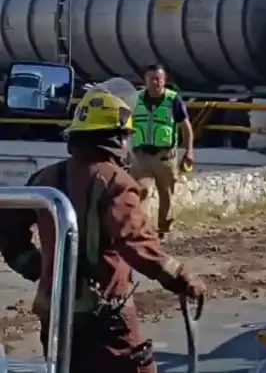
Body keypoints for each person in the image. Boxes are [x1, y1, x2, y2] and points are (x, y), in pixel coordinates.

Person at [0, 77, 205, 373]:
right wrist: (182, 278)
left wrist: (40, 268)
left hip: (54, 312)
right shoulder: (116, 183)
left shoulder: (45, 179)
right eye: (125, 137)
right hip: (104, 316)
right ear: (117, 138)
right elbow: (135, 243)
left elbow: (8, 231)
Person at [131, 63, 194, 238]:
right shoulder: (135, 99)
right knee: (141, 192)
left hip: (165, 157)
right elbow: (125, 125)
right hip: (140, 156)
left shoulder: (173, 100)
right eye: (151, 79)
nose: (155, 83)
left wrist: (189, 152)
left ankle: (163, 230)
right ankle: (142, 231)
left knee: (166, 195)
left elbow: (186, 127)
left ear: (164, 81)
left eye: (158, 79)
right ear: (145, 80)